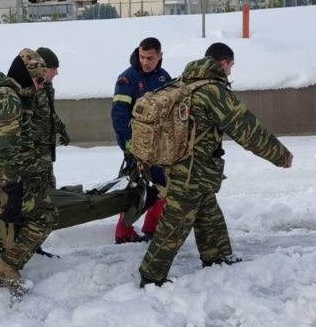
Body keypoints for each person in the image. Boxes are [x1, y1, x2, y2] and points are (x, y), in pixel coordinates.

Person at [138, 42, 293, 286]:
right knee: (174, 225)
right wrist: (281, 156)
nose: (230, 72)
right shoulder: (213, 91)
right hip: (190, 171)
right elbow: (247, 130)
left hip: (188, 168)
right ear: (224, 63)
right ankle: (151, 276)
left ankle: (217, 256)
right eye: (230, 66)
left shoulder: (185, 82)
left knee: (207, 209)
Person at [0, 48, 57, 292]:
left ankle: (0, 268)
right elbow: (4, 149)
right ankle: (6, 264)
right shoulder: (8, 98)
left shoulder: (8, 93)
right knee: (45, 216)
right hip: (6, 177)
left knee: (8, 223)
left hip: (2, 175)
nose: (41, 86)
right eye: (38, 80)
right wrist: (12, 188)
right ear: (25, 74)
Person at [111, 36, 171, 244]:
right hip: (136, 147)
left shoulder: (164, 79)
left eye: (150, 58)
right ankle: (124, 232)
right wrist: (130, 148)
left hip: (160, 148)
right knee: (134, 188)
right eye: (142, 56)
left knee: (163, 186)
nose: (145, 62)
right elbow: (119, 116)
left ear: (160, 56)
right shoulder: (126, 79)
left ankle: (152, 227)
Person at [32, 47, 70, 190]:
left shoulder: (46, 87)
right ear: (42, 68)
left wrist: (62, 130)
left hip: (45, 150)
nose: (56, 73)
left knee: (50, 188)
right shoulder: (30, 90)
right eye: (53, 68)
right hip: (35, 155)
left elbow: (50, 114)